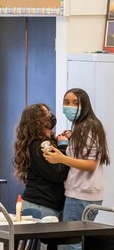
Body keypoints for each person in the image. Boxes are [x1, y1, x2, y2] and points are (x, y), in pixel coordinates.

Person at [43, 88, 109, 227]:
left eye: (75, 103)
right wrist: (72, 139)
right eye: (66, 102)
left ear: (84, 105)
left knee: (70, 246)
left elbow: (90, 164)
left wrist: (61, 158)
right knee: (76, 242)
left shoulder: (88, 127)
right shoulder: (80, 127)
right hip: (82, 194)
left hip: (80, 195)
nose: (70, 107)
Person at [13, 103, 68, 219]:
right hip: (41, 206)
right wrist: (63, 146)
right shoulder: (38, 146)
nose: (50, 116)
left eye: (49, 112)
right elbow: (58, 173)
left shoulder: (42, 143)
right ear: (36, 121)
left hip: (44, 205)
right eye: (45, 114)